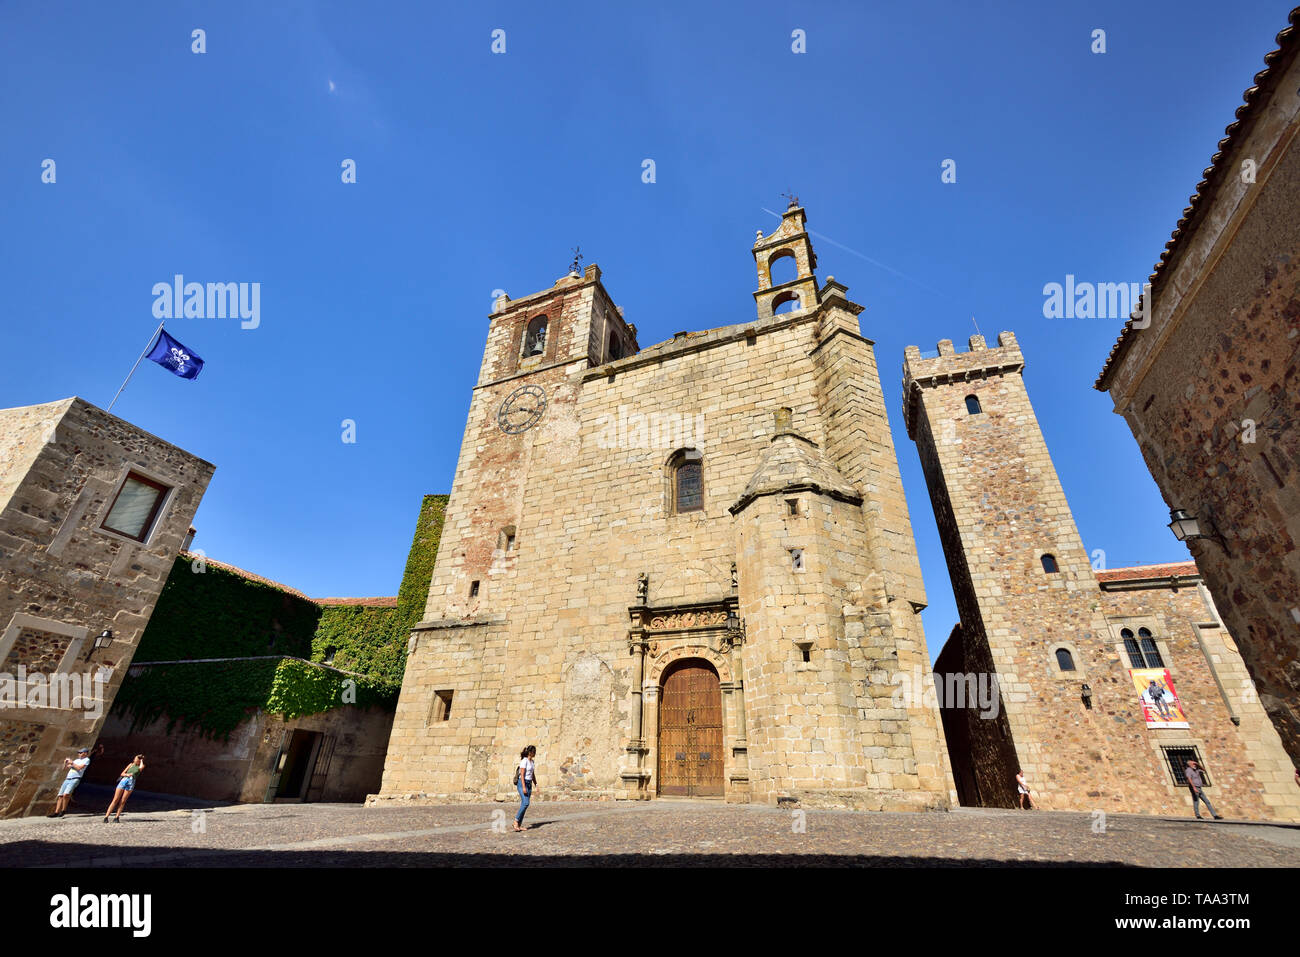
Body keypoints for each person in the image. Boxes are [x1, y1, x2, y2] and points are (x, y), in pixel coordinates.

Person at [48, 747, 92, 817]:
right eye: (79, 753)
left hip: (75, 778)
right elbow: (65, 768)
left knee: (66, 794)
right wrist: (65, 763)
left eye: (80, 753)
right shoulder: (76, 760)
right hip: (68, 778)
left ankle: (63, 810)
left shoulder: (86, 760)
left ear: (85, 753)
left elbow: (79, 768)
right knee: (60, 795)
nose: (79, 754)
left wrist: (72, 763)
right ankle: (56, 812)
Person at [103, 754, 145, 823]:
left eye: (137, 758)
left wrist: (141, 760)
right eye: (135, 758)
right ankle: (106, 816)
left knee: (123, 801)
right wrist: (127, 774)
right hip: (124, 780)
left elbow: (140, 768)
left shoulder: (141, 766)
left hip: (131, 782)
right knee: (115, 799)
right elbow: (122, 773)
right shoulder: (131, 765)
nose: (135, 759)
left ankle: (117, 817)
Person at [513, 745, 538, 832]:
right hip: (522, 783)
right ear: (530, 752)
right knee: (526, 803)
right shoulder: (524, 761)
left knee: (525, 804)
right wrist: (523, 786)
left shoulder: (532, 762)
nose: (535, 753)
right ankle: (516, 821)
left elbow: (532, 774)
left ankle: (519, 825)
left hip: (529, 783)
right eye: (534, 752)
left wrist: (536, 784)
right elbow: (522, 775)